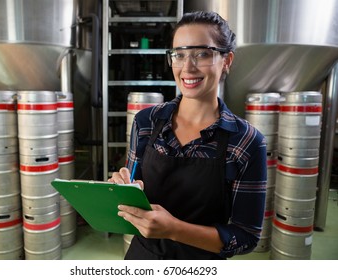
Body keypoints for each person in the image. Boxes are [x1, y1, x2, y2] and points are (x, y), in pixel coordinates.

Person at [108, 11, 267, 260]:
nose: (187, 67)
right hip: (142, 257)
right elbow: (135, 190)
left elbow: (246, 237)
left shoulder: (246, 142)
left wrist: (175, 230)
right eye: (179, 55)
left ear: (226, 60)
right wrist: (121, 190)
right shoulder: (146, 122)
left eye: (202, 54)